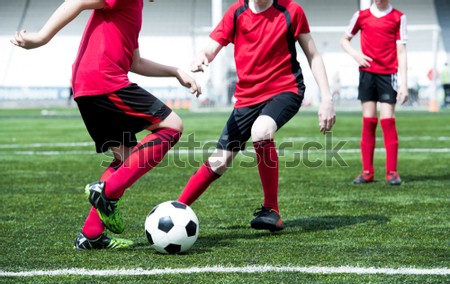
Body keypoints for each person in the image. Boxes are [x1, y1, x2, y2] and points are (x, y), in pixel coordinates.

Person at [11, 0, 201, 249]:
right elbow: (78, 1)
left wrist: (175, 71)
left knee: (126, 160)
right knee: (172, 126)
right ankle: (107, 191)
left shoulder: (136, 6)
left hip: (90, 84)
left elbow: (135, 62)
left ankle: (91, 235)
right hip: (103, 80)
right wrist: (41, 38)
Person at [177, 0, 336, 232]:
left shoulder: (291, 10)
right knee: (219, 161)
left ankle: (272, 210)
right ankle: (177, 208)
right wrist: (201, 56)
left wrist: (327, 98)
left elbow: (314, 55)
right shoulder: (236, 12)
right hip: (246, 98)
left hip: (285, 89)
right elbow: (211, 48)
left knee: (261, 131)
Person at [340, 0, 408, 186]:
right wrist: (356, 55)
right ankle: (367, 172)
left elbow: (401, 51)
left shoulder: (398, 17)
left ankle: (392, 172)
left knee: (388, 120)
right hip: (367, 75)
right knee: (369, 121)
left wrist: (404, 84)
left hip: (388, 75)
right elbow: (344, 40)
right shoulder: (361, 16)